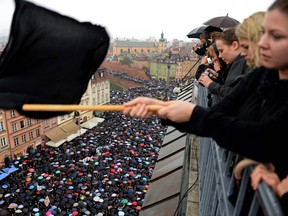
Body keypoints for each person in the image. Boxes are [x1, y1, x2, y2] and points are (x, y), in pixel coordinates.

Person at [122, 0, 288, 179]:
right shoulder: (262, 75)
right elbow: (217, 113)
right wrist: (160, 108)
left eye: (276, 36)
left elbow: (265, 137)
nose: (263, 44)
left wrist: (193, 113)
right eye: (264, 35)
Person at [197, 28, 250, 98]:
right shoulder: (233, 63)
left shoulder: (245, 64)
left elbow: (236, 94)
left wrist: (202, 65)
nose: (220, 56)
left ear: (235, 45)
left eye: (221, 51)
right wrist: (218, 75)